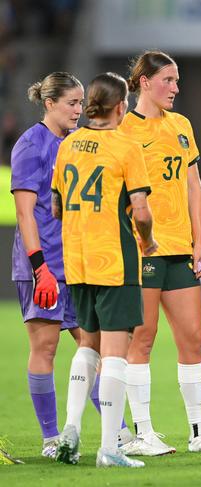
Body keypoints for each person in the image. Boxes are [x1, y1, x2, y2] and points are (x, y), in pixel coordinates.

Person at [118, 50, 201, 456]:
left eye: (178, 80)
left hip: (180, 249)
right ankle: (143, 433)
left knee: (194, 338)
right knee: (143, 339)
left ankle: (200, 432)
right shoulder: (123, 130)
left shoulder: (182, 126)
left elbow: (195, 186)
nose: (176, 87)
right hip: (141, 250)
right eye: (168, 79)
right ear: (144, 82)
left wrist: (199, 242)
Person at [52, 72, 156, 468]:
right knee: (116, 353)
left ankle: (71, 430)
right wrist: (147, 241)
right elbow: (142, 211)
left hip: (76, 257)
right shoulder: (127, 146)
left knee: (86, 346)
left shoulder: (69, 145)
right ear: (120, 106)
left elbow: (58, 205)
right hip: (113, 257)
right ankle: (110, 447)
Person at [10, 72, 84, 458]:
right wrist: (40, 268)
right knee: (47, 346)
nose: (79, 110)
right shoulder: (30, 145)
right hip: (44, 266)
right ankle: (51, 439)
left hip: (79, 264)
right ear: (49, 103)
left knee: (95, 346)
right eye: (72, 103)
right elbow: (25, 214)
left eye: (81, 102)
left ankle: (119, 432)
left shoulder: (79, 144)